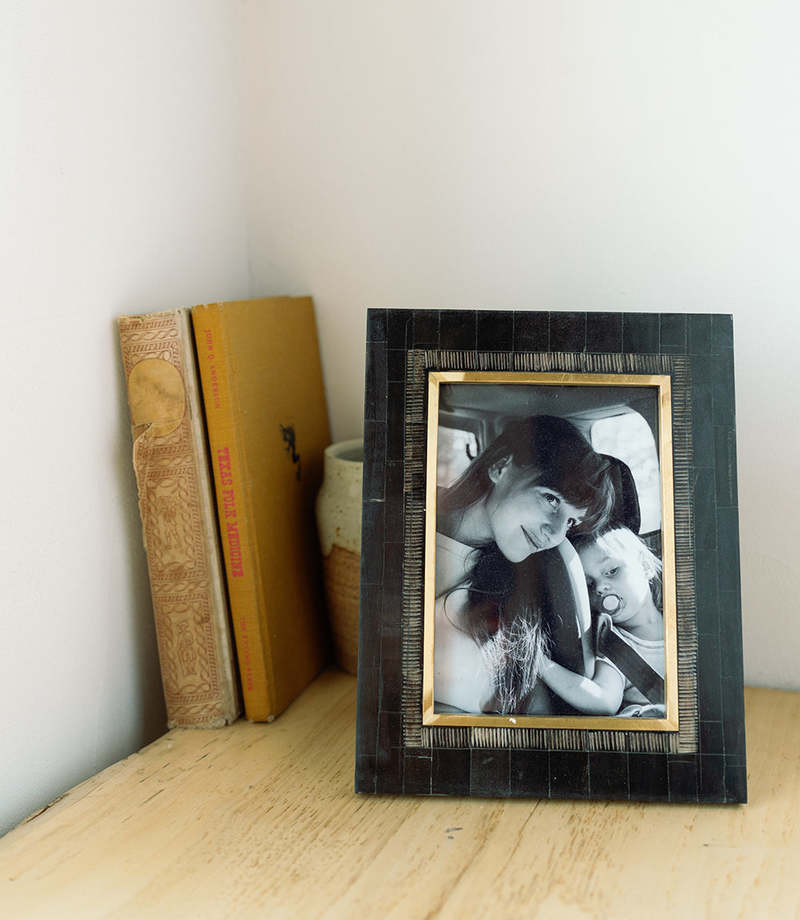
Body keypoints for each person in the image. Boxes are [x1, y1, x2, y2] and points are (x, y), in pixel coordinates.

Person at [433, 415, 615, 714]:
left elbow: (529, 702)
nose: (555, 534)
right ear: (500, 467)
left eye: (571, 521)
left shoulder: (525, 590)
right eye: (551, 500)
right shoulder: (407, 524)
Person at [536, 525, 665, 717]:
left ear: (645, 567)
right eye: (589, 584)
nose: (600, 588)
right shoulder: (614, 646)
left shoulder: (681, 618)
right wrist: (539, 663)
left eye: (612, 571)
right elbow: (604, 701)